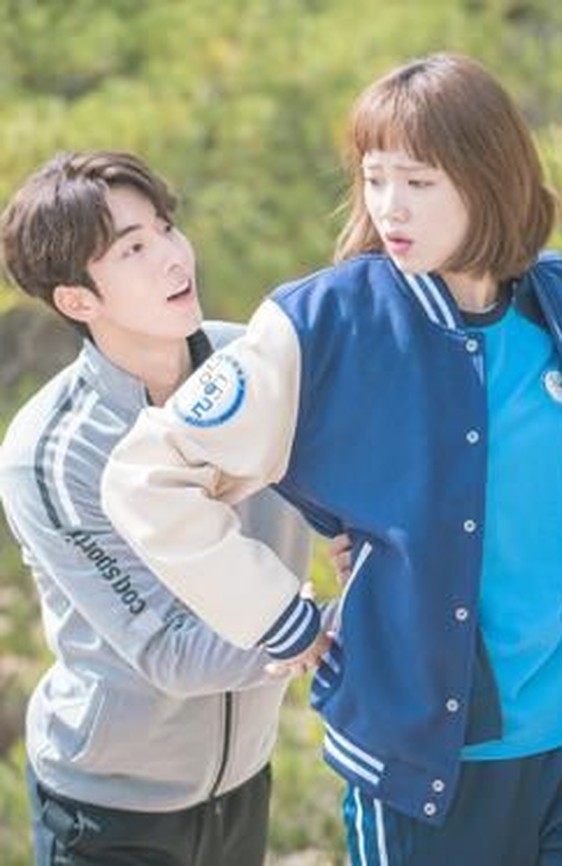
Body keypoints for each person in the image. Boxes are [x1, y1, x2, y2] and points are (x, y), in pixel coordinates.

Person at [102, 54, 562, 865]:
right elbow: (147, 477)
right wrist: (280, 619)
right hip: (429, 766)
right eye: (374, 178)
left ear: (491, 178)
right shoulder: (324, 324)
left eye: (419, 182)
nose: (391, 206)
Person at [0, 149, 327, 866]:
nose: (174, 256)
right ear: (77, 301)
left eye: (166, 229)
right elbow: (169, 652)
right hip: (110, 810)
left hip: (244, 779)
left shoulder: (259, 366)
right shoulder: (51, 453)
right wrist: (322, 632)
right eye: (133, 249)